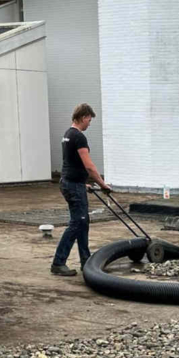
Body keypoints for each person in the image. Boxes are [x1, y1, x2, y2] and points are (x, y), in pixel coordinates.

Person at [51, 103, 112, 276]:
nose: (89, 124)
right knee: (77, 223)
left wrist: (81, 183)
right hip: (73, 185)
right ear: (84, 117)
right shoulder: (78, 137)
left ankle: (86, 260)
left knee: (82, 222)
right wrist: (102, 184)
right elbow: (89, 166)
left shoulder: (67, 135)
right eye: (89, 120)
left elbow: (69, 163)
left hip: (70, 183)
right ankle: (58, 262)